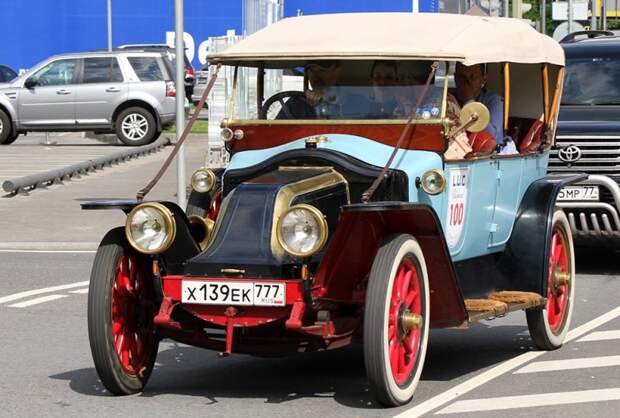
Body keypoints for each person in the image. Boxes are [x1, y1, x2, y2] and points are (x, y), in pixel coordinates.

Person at [454, 63, 517, 155]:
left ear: (483, 79)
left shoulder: (495, 101)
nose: (467, 83)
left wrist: (469, 101)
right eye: (462, 77)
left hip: (488, 155)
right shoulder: (449, 99)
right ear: (455, 78)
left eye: (473, 77)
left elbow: (493, 137)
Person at [276, 61, 342, 119]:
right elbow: (276, 130)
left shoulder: (349, 101)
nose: (316, 76)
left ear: (337, 71)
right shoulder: (296, 103)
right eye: (311, 70)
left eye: (322, 70)